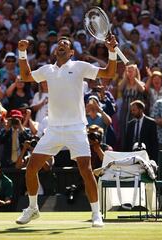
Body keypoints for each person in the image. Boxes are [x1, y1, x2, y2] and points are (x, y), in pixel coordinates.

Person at [15, 35, 117, 227]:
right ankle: (33, 208)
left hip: (76, 128)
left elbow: (108, 73)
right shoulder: (48, 70)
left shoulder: (79, 66)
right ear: (55, 51)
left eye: (66, 44)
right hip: (53, 129)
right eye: (59, 44)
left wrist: (112, 51)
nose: (61, 45)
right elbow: (26, 76)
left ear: (71, 52)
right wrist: (22, 52)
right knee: (31, 168)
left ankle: (96, 214)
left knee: (85, 170)